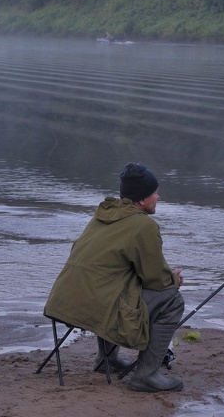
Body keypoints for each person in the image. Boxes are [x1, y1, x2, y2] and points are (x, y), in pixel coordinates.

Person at [44, 162, 186, 392]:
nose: (158, 197)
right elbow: (156, 280)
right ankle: (146, 375)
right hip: (96, 307)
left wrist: (163, 276)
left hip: (62, 303)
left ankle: (107, 359)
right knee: (172, 299)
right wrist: (174, 280)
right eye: (154, 193)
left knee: (117, 286)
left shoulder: (103, 215)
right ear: (141, 200)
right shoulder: (143, 225)